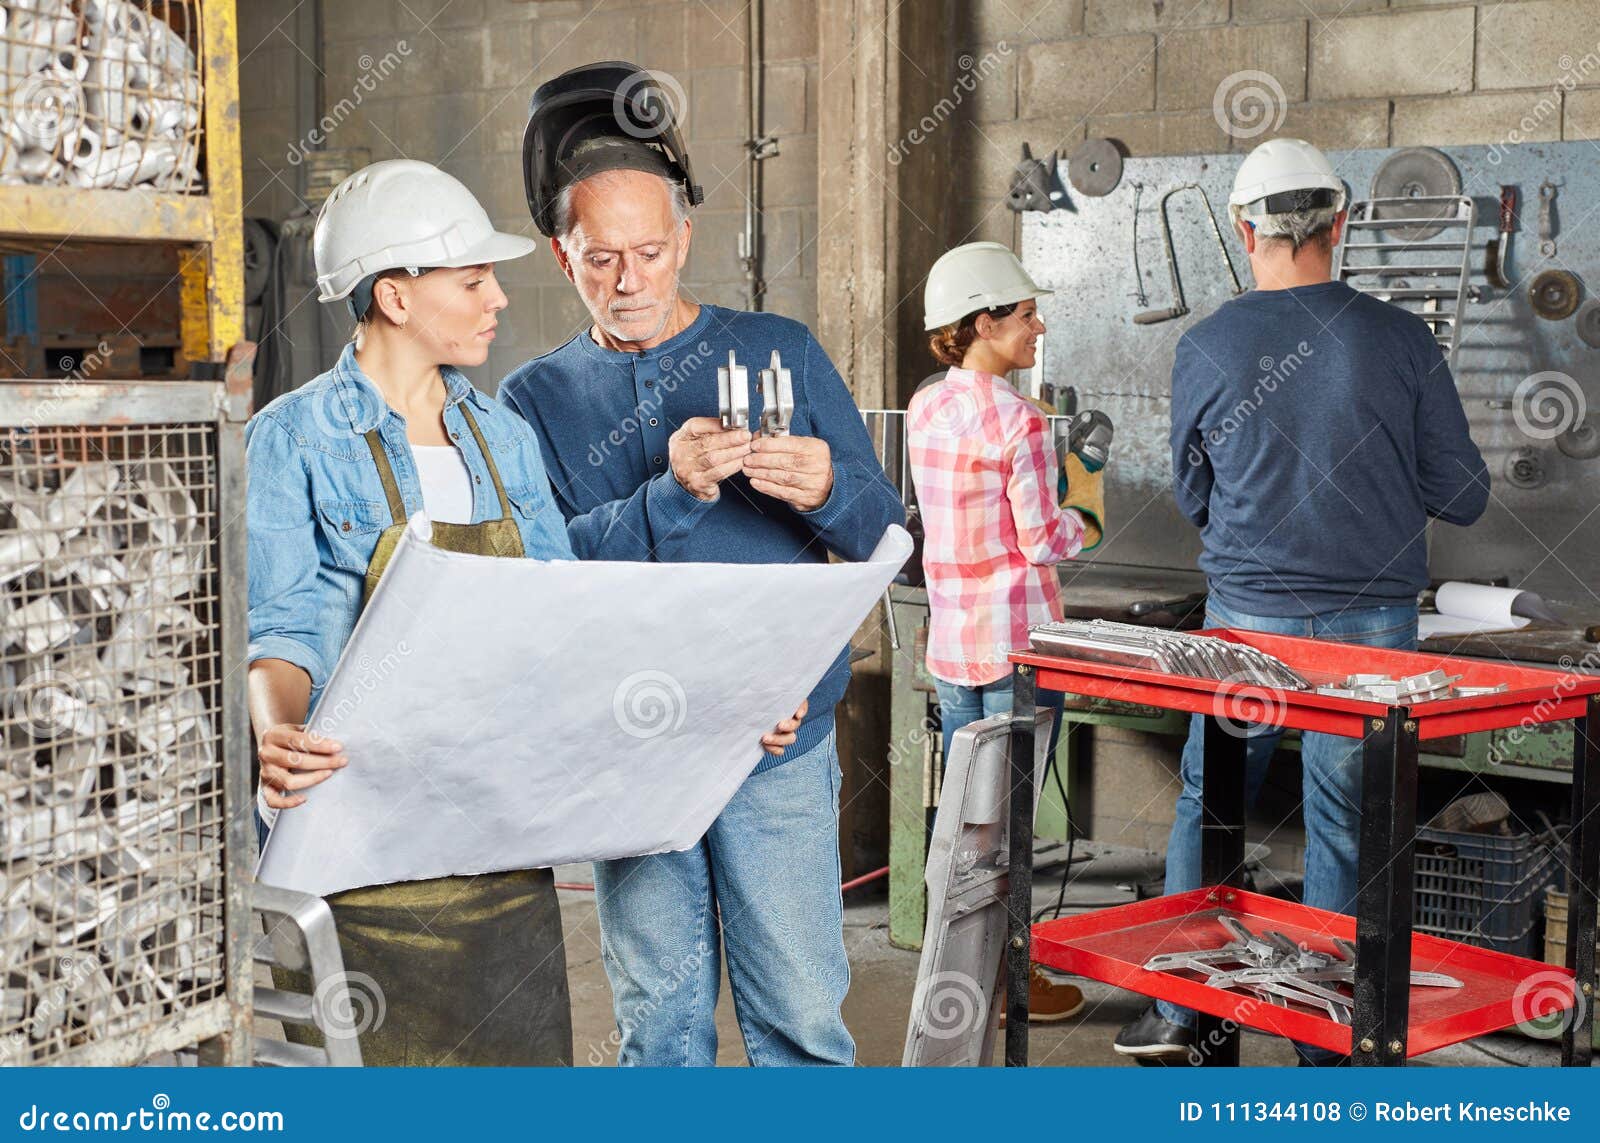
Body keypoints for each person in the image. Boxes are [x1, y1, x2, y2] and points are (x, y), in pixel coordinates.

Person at [500, 61, 905, 1066]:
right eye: (600, 259)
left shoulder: (780, 348)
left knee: (802, 1022)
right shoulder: (534, 399)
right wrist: (668, 492)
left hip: (774, 746)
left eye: (648, 251)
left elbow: (893, 542)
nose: (627, 280)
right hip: (635, 747)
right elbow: (545, 578)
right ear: (562, 256)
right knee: (660, 1029)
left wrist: (828, 489)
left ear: (684, 238)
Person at [1114, 138, 1490, 1064]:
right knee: (1347, 822)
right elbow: (1467, 494)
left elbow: (1194, 492)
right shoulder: (1404, 339)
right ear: (1343, 221)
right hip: (1372, 629)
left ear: (1246, 231)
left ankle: (1182, 1010)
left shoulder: (1205, 343)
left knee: (1212, 801)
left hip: (1245, 622)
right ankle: (1326, 1034)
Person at [244, 159, 582, 1065]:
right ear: (395, 295)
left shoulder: (503, 438)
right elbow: (283, 624)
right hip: (361, 840)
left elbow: (566, 614)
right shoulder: (292, 436)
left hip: (497, 834)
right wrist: (276, 729)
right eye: (473, 279)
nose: (498, 298)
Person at [907, 241, 1105, 1025]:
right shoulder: (1022, 420)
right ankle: (1008, 984)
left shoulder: (927, 404)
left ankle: (956, 977)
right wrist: (1086, 487)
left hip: (956, 646)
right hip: (1021, 652)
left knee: (967, 825)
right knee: (1013, 832)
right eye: (1025, 315)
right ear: (983, 322)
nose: (1037, 326)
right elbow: (1044, 539)